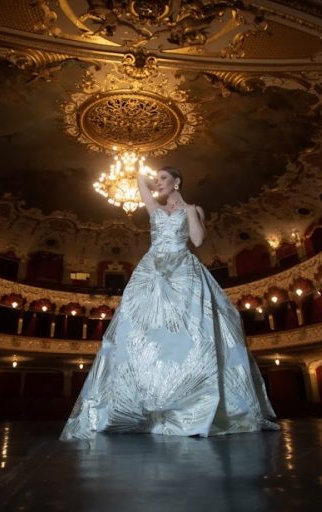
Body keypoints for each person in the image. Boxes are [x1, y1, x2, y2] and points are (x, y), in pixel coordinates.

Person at [60, 166, 279, 440]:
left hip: (183, 271)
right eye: (157, 179)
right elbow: (140, 182)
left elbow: (197, 240)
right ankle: (142, 407)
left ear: (177, 181)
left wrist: (190, 211)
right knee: (142, 332)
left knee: (191, 332)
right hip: (152, 271)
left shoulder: (194, 209)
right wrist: (145, 174)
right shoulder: (153, 208)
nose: (158, 182)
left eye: (164, 178)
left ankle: (192, 406)